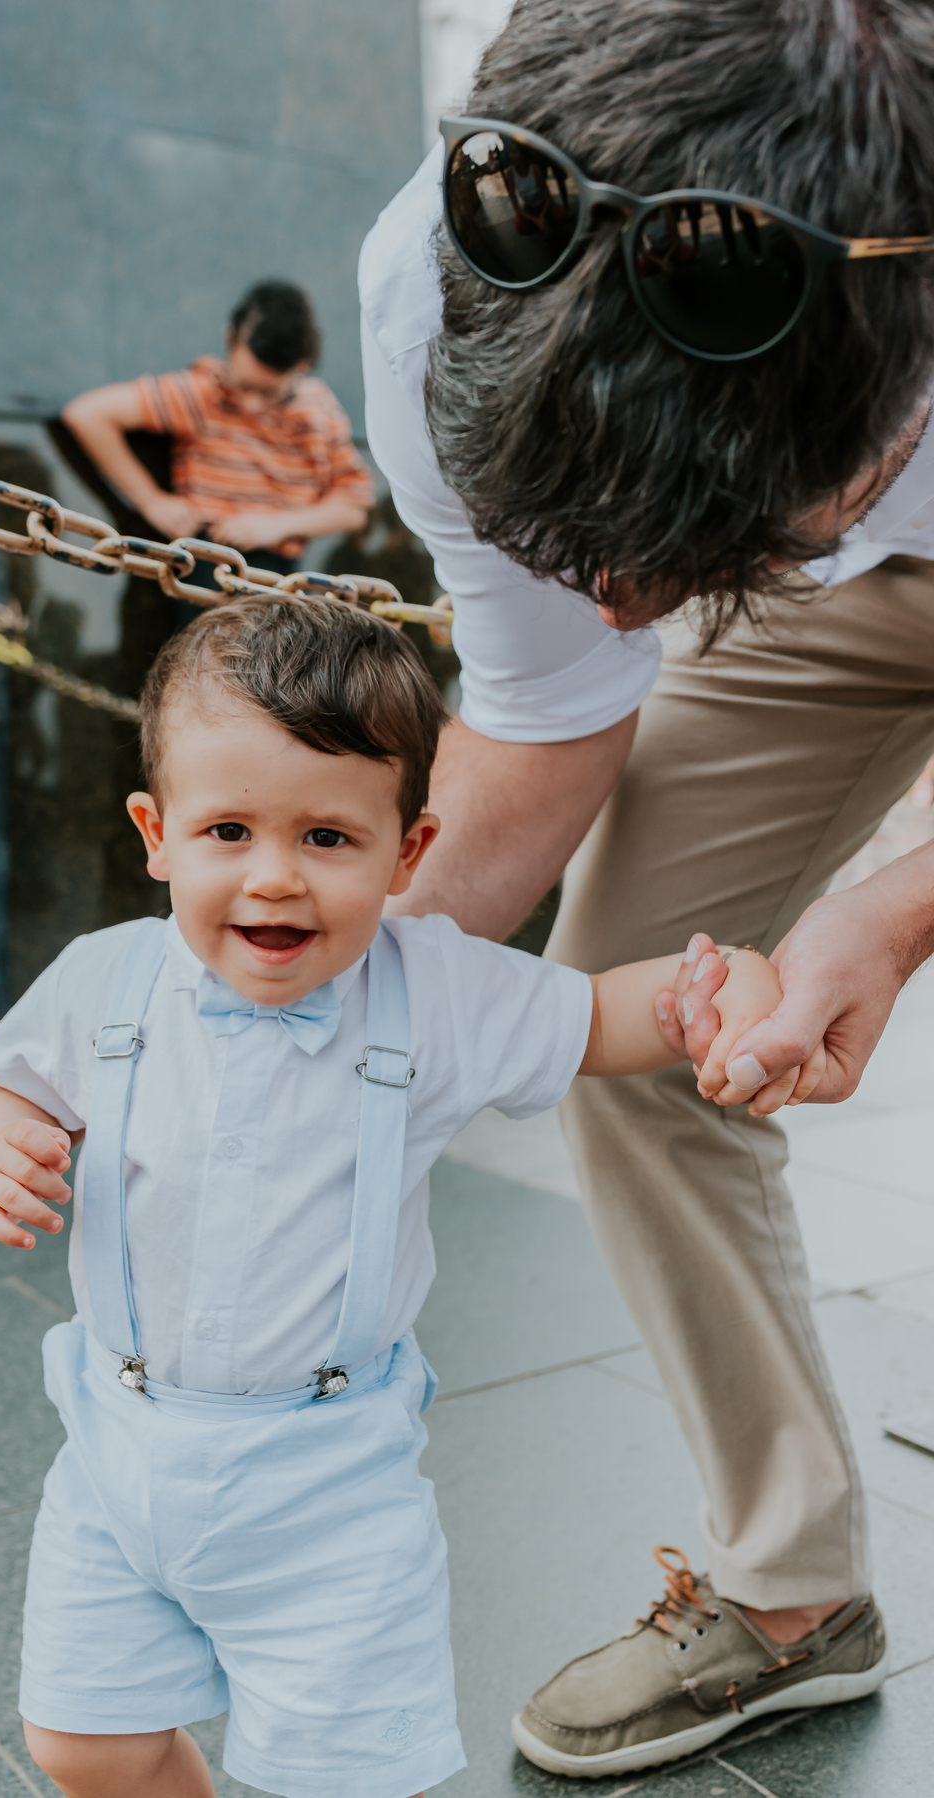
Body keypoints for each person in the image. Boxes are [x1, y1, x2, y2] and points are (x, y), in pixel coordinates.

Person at [358, 0, 934, 1776]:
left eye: (671, 571)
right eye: (583, 562)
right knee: (640, 1014)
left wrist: (893, 910)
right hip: (840, 587)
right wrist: (312, 1019)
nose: (620, 612)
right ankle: (794, 1588)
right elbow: (546, 724)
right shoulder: (446, 279)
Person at [0, 594, 796, 1798]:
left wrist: (715, 991)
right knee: (84, 1742)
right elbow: (17, 1084)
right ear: (157, 833)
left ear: (408, 852)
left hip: (328, 1486)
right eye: (229, 831)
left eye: (328, 839)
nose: (273, 880)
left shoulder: (436, 993)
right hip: (116, 1452)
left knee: (346, 1777)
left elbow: (604, 1015)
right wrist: (8, 1139)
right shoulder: (103, 979)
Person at [61, 279, 375, 594]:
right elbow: (86, 414)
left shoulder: (318, 412)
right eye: (244, 386)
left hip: (280, 571)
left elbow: (353, 508)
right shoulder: (204, 393)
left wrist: (277, 526)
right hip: (206, 561)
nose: (252, 404)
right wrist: (151, 500)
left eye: (268, 392)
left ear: (302, 368)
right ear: (230, 341)